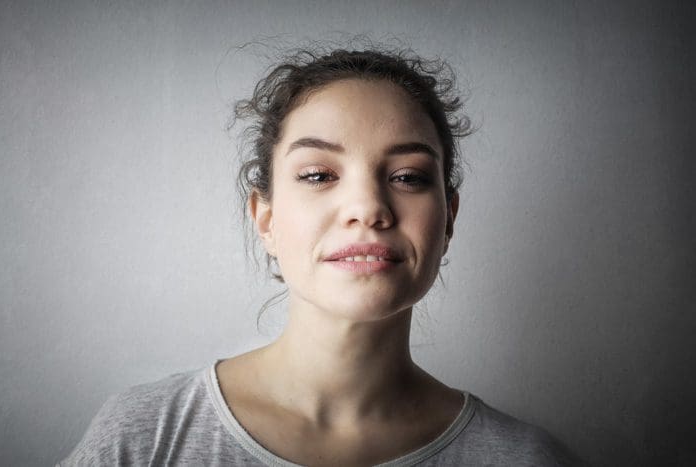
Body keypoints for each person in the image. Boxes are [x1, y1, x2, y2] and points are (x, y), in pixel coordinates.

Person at [59, 46, 584, 466]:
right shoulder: (145, 437)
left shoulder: (526, 458)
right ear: (264, 218)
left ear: (448, 217)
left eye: (407, 177)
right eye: (318, 175)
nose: (368, 208)